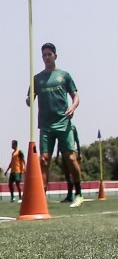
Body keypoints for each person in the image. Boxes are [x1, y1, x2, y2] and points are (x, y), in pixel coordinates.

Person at [27, 42, 82, 207]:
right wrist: (29, 100)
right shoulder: (36, 79)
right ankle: (41, 196)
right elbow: (30, 100)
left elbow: (76, 97)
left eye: (49, 54)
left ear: (55, 56)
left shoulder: (64, 76)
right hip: (45, 125)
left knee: (70, 158)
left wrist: (72, 107)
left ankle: (79, 194)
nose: (46, 57)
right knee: (44, 161)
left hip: (63, 123)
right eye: (44, 55)